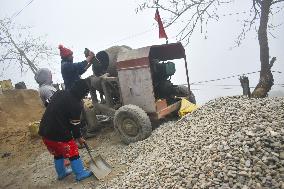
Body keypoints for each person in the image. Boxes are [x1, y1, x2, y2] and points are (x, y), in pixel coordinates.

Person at [38, 79, 93, 181]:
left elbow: (47, 104)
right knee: (73, 151)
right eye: (86, 92)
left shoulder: (59, 93)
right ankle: (80, 173)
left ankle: (61, 173)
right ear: (83, 92)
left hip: (44, 131)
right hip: (59, 134)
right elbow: (75, 124)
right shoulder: (77, 104)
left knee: (57, 153)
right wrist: (79, 137)